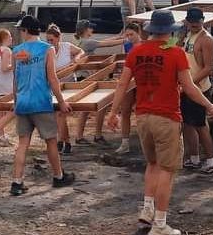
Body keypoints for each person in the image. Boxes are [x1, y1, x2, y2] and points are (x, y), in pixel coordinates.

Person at [107, 9, 213, 235]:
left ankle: (147, 208)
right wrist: (209, 105)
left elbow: (122, 85)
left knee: (152, 163)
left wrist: (113, 112)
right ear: (170, 31)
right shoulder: (176, 53)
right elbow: (189, 87)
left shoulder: (136, 52)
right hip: (167, 116)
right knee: (167, 169)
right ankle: (160, 223)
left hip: (143, 116)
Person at [9, 15, 76, 196]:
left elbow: (15, 79)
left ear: (25, 30)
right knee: (51, 142)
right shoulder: (47, 49)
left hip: (23, 103)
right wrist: (61, 102)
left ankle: (16, 182)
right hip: (41, 102)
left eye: (20, 30)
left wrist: (16, 102)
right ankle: (58, 176)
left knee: (23, 143)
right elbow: (52, 78)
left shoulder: (16, 50)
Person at [73, 19, 126, 148]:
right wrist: (125, 39)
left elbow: (106, 41)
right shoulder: (87, 42)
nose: (92, 30)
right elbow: (106, 44)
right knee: (92, 108)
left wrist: (121, 35)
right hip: (88, 78)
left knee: (87, 109)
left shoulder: (82, 41)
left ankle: (85, 136)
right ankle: (90, 136)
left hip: (84, 78)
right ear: (85, 30)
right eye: (90, 28)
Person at [180, 8, 213, 175]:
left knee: (201, 125)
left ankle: (210, 160)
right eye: (192, 21)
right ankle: (194, 157)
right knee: (187, 124)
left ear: (203, 20)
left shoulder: (206, 40)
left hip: (199, 87)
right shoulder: (187, 36)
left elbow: (208, 68)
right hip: (187, 87)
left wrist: (189, 83)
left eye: (197, 21)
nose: (195, 24)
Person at [45, 23, 85, 154]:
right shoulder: (47, 50)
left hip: (68, 85)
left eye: (52, 40)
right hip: (54, 86)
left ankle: (63, 142)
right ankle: (63, 141)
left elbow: (81, 51)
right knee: (57, 115)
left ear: (58, 38)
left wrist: (77, 58)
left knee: (61, 114)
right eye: (48, 40)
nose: (50, 42)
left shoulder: (66, 47)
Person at [115, 22, 143, 154]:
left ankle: (145, 140)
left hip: (142, 81)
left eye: (131, 34)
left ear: (139, 33)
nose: (129, 37)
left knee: (141, 111)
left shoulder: (145, 46)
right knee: (125, 110)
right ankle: (125, 142)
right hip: (130, 79)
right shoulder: (127, 46)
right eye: (127, 35)